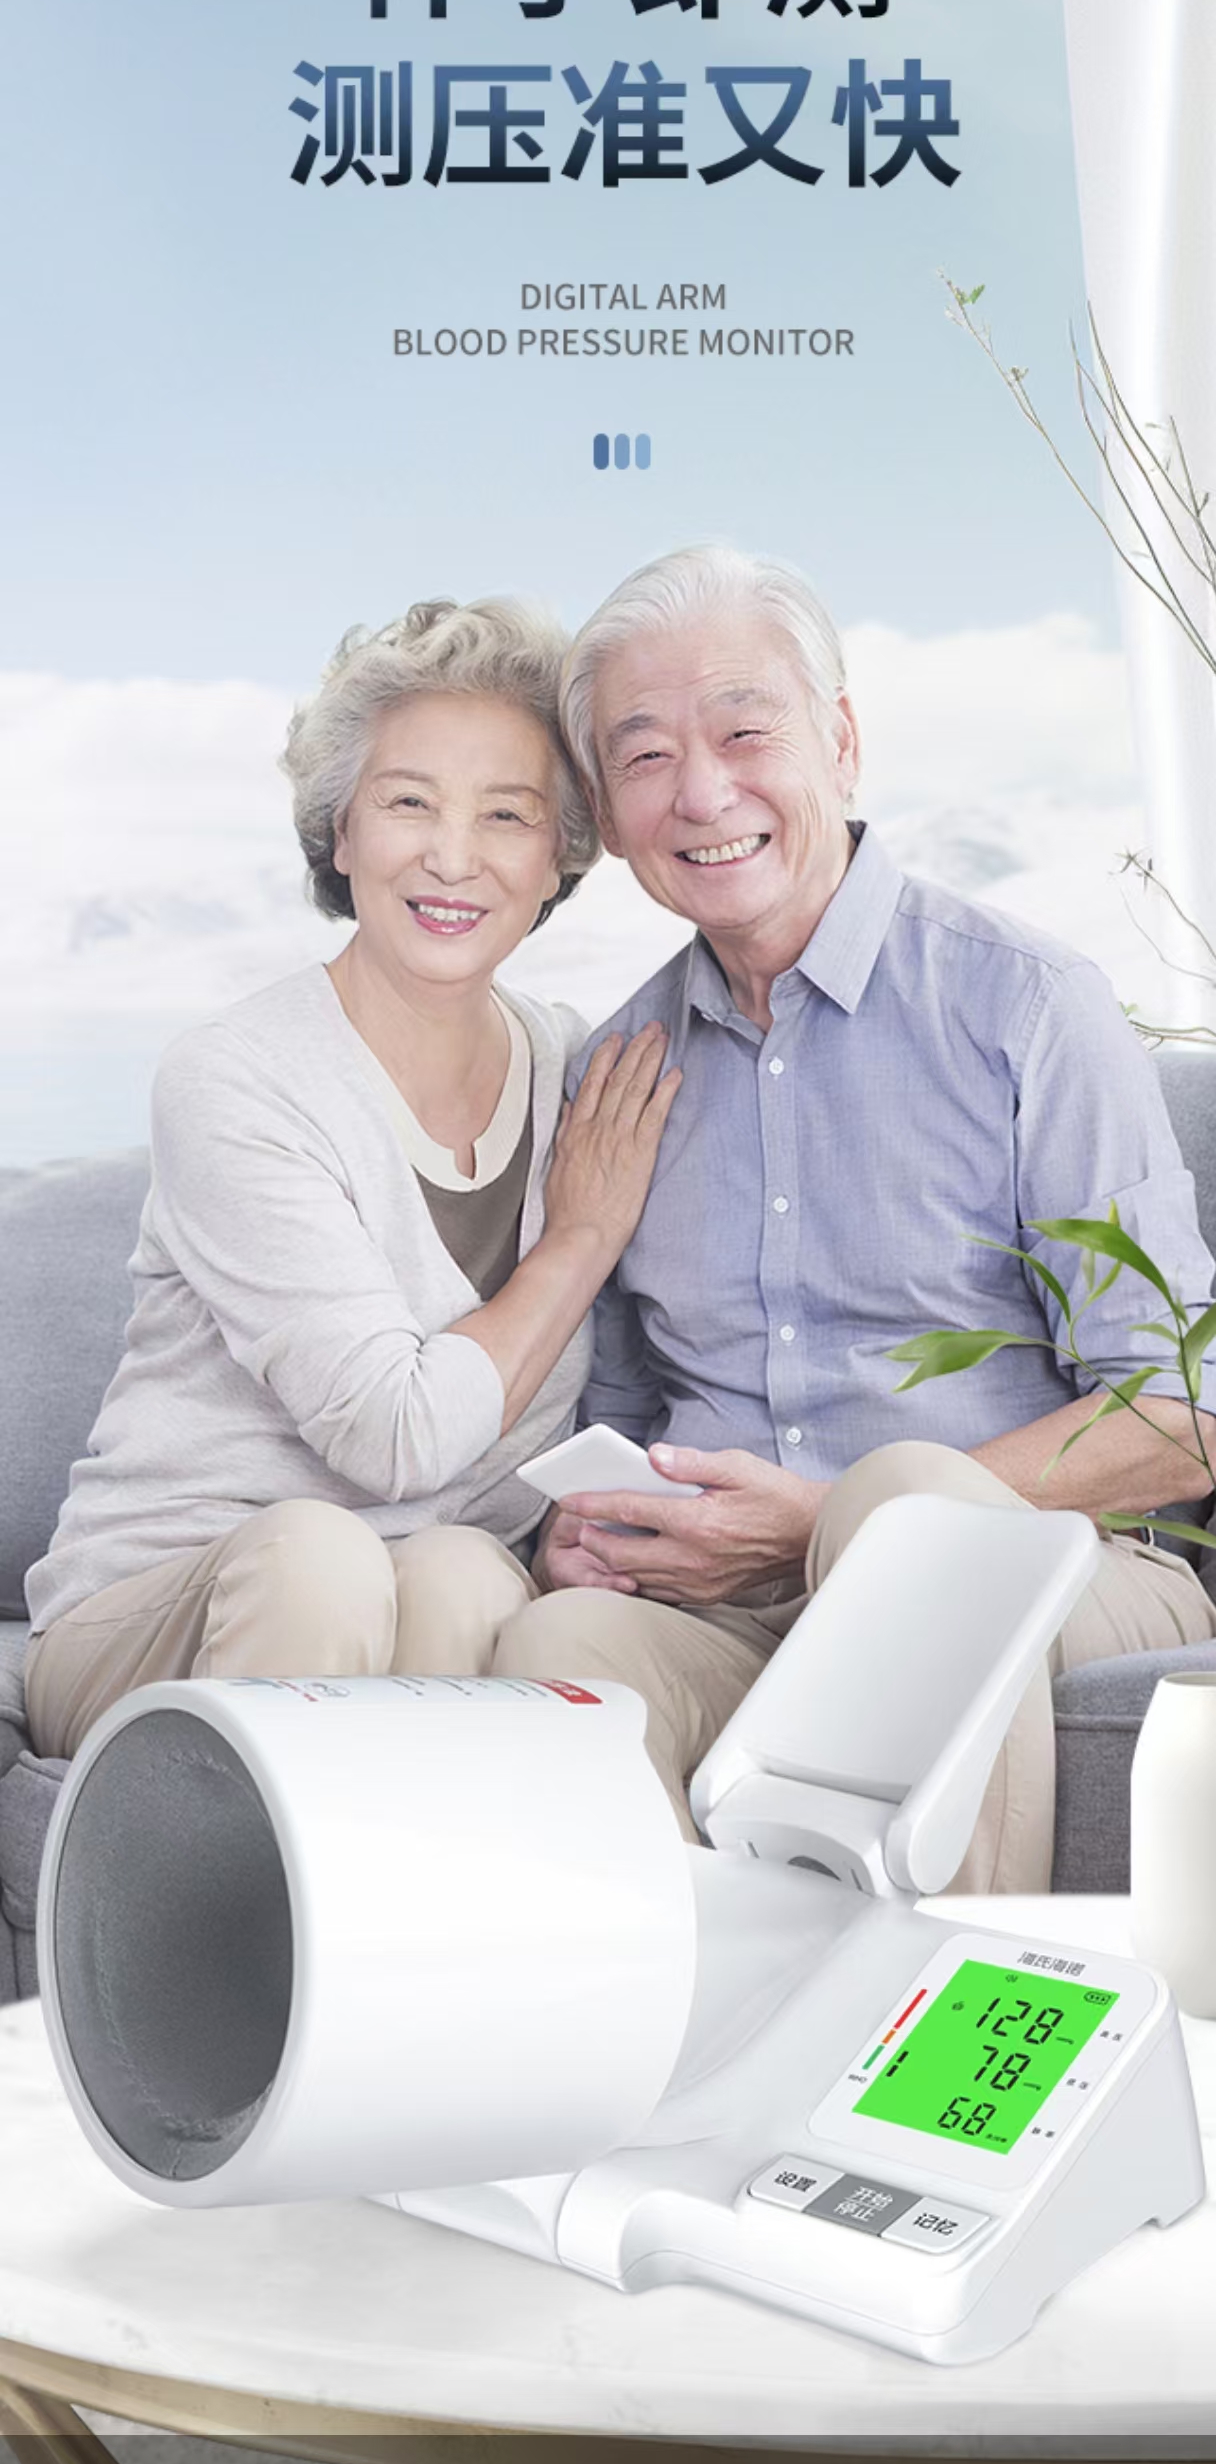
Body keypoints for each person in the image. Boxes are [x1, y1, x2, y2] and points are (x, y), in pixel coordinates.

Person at [490, 544, 1216, 1891]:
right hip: (739, 1607)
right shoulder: (619, 1074)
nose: (702, 792)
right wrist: (585, 1530)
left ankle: (947, 2015)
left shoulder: (1026, 1007)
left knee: (905, 1516)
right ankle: (706, 2025)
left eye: (744, 732)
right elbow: (624, 1411)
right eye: (644, 757)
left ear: (840, 742)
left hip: (1046, 1576)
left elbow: (1180, 1414)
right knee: (557, 1650)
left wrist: (839, 1520)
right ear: (607, 809)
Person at [23, 597, 680, 1758]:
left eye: (507, 814)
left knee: (467, 1574)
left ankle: (402, 1881)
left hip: (422, 1594)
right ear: (340, 833)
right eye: (408, 801)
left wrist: (571, 1533)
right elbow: (396, 1438)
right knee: (322, 1557)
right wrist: (578, 1239)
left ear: (559, 858)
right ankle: (232, 1879)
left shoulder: (585, 1074)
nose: (452, 856)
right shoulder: (237, 1077)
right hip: (161, 1611)